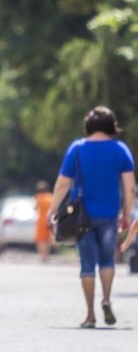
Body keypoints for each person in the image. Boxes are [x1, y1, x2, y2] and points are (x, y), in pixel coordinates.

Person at [48, 106, 136, 329]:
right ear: (111, 126)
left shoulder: (77, 149)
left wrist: (52, 210)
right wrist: (127, 213)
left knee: (87, 265)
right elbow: (129, 188)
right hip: (109, 214)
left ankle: (90, 314)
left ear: (88, 125)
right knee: (107, 261)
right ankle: (106, 299)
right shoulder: (120, 150)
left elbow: (62, 183)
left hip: (82, 217)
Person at [34, 181, 53, 262]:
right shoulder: (51, 197)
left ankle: (42, 256)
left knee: (41, 239)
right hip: (49, 220)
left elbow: (35, 208)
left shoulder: (38, 197)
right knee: (48, 239)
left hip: (41, 220)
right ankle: (47, 255)